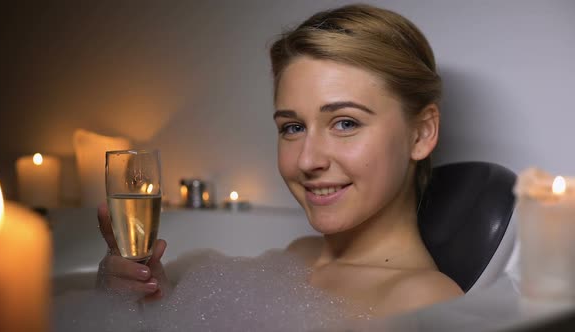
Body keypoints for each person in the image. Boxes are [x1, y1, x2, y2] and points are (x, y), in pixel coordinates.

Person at [96, 4, 463, 318]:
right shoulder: (297, 256)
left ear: (421, 133)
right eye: (292, 127)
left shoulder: (423, 303)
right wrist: (150, 298)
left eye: (346, 122)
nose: (307, 159)